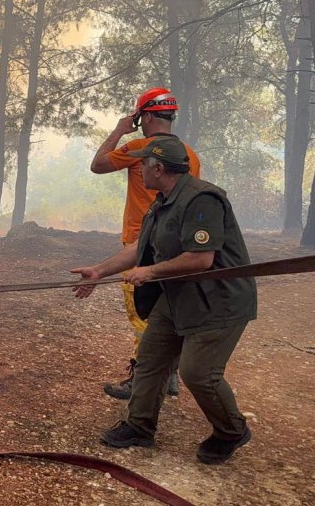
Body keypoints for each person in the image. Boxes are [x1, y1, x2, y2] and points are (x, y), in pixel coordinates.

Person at [72, 136, 256, 465]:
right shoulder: (161, 201)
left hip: (218, 301)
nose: (139, 168)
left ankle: (230, 431)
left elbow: (201, 259)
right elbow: (140, 247)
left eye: (143, 163)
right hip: (176, 298)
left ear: (158, 168)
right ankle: (139, 427)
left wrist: (151, 272)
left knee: (198, 373)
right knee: (150, 359)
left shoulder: (203, 199)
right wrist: (99, 271)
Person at [89, 87, 201, 400]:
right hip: (177, 246)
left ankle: (144, 377)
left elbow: (97, 165)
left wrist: (119, 130)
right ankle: (169, 372)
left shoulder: (138, 147)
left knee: (142, 313)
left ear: (146, 116)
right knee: (167, 309)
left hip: (139, 244)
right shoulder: (189, 155)